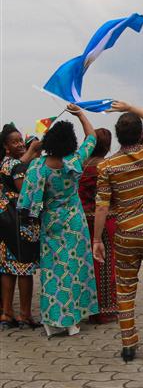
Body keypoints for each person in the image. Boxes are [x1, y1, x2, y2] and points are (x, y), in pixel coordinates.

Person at [91, 101, 143, 362]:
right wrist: (130, 106)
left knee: (125, 288)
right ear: (141, 134)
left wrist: (97, 239)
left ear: (118, 136)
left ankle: (129, 346)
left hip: (125, 235)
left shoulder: (107, 167)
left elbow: (102, 206)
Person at [17, 105, 99, 337]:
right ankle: (71, 320)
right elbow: (91, 137)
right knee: (73, 270)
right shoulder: (75, 160)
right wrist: (80, 114)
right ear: (70, 143)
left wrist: (35, 149)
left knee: (53, 271)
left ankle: (51, 320)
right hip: (74, 222)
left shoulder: (38, 168)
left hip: (51, 221)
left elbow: (26, 200)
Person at [0, 124, 42, 329]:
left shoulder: (9, 163)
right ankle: (24, 315)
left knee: (7, 269)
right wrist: (33, 152)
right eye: (14, 142)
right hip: (20, 223)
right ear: (6, 147)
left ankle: (7, 314)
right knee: (24, 269)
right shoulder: (12, 165)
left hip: (6, 223)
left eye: (20, 140)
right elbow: (24, 190)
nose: (19, 144)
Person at [79, 128, 118, 324]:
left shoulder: (80, 165)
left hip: (83, 219)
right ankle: (106, 308)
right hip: (105, 218)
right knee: (106, 263)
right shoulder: (106, 166)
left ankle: (90, 307)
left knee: (88, 264)